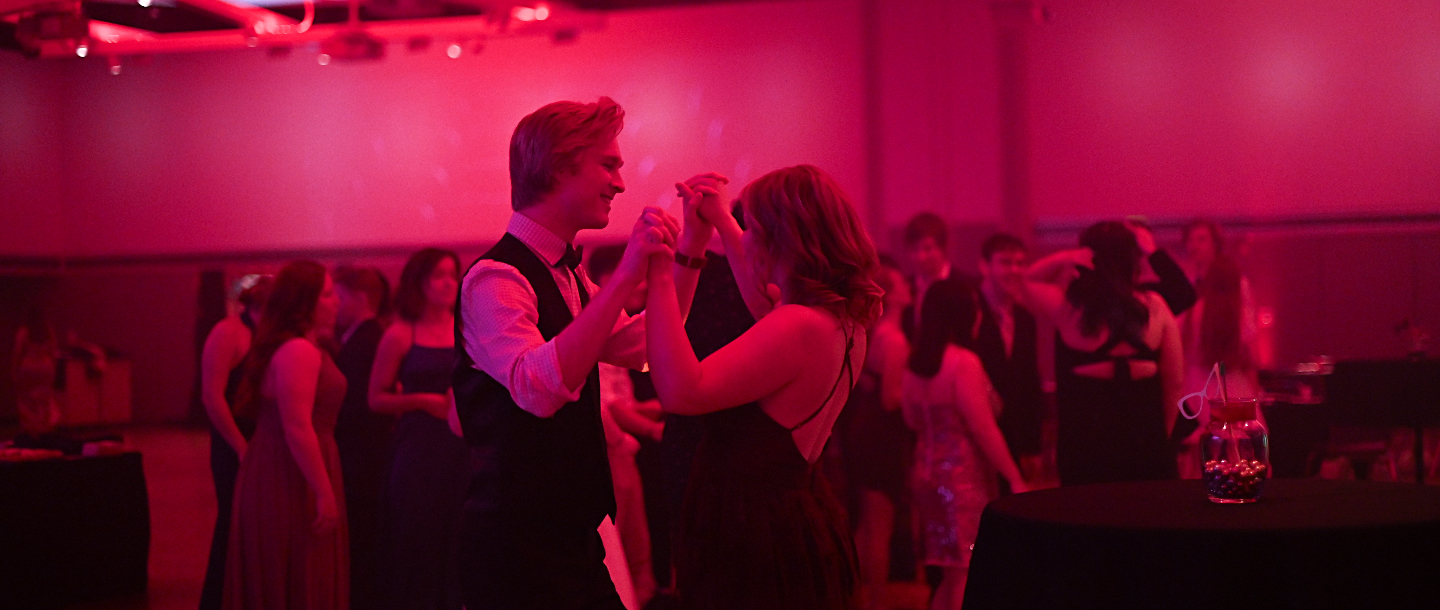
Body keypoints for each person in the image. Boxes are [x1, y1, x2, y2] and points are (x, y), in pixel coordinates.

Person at [452, 97, 708, 610]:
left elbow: (646, 346)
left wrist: (691, 249)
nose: (619, 182)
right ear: (558, 165)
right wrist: (628, 275)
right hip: (515, 544)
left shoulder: (567, 274)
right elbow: (537, 390)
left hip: (567, 535)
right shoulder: (494, 278)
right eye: (608, 164)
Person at [646, 164, 883, 610]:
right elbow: (764, 299)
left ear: (781, 237)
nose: (745, 236)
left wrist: (663, 269)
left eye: (751, 226)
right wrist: (719, 220)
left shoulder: (799, 325)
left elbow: (681, 392)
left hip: (752, 532)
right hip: (790, 517)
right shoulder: (840, 320)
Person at [224, 261, 346, 610]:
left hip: (294, 462)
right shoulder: (298, 351)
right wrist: (324, 492)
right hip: (291, 470)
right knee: (298, 569)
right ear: (303, 302)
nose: (336, 301)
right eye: (326, 294)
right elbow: (296, 425)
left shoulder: (303, 346)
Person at [1024, 221, 1183, 486]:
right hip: (1145, 441)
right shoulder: (1155, 308)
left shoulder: (1069, 310)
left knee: (1090, 522)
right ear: (1132, 260)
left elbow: (1025, 281)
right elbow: (1174, 381)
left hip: (1086, 447)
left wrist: (1066, 256)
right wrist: (1162, 437)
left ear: (1089, 258)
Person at [903, 280, 1028, 610]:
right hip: (962, 477)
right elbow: (984, 428)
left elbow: (910, 421)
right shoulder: (963, 363)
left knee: (949, 572)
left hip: (925, 472)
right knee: (965, 573)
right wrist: (1015, 477)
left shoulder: (914, 365)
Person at [369, 248, 466, 610]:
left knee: (457, 534)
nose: (448, 283)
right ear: (419, 282)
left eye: (452, 275)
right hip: (419, 449)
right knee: (419, 535)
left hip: (461, 445)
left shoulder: (466, 327)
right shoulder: (400, 333)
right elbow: (375, 398)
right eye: (438, 275)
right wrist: (423, 401)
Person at [587, 244, 662, 607]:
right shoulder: (591, 324)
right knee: (621, 549)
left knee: (636, 547)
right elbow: (606, 406)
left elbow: (622, 402)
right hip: (608, 452)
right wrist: (651, 430)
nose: (645, 284)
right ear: (607, 279)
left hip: (621, 448)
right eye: (639, 274)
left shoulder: (615, 323)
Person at [838, 256, 912, 610]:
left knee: (867, 524)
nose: (910, 287)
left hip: (864, 428)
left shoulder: (873, 331)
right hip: (883, 435)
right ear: (893, 295)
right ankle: (877, 603)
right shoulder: (895, 340)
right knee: (879, 526)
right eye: (903, 284)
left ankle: (849, 594)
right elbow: (891, 398)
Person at [198, 276, 272, 610]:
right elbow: (213, 398)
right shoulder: (228, 332)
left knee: (258, 527)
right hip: (234, 442)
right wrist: (241, 448)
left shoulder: (271, 335)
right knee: (233, 522)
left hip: (262, 442)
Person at [330, 266, 392, 610]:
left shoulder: (366, 340)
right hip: (364, 455)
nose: (334, 306)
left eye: (337, 297)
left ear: (359, 299)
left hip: (363, 458)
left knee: (363, 540)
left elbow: (357, 406)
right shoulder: (363, 336)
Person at [1176, 255, 1261, 477]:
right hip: (1234, 390)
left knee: (1203, 464)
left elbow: (1181, 359)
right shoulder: (1238, 317)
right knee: (1244, 462)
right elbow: (1251, 361)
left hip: (1196, 391)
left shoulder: (1190, 316)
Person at [973, 233, 1045, 482]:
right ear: (984, 266)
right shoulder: (968, 312)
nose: (1014, 270)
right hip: (974, 440)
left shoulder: (1025, 319)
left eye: (1020, 263)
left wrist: (1032, 445)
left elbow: (1029, 384)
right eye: (1005, 262)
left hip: (1014, 438)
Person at [901, 212, 952, 341]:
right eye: (914, 249)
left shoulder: (963, 286)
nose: (921, 257)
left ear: (943, 248)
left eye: (928, 248)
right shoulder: (905, 288)